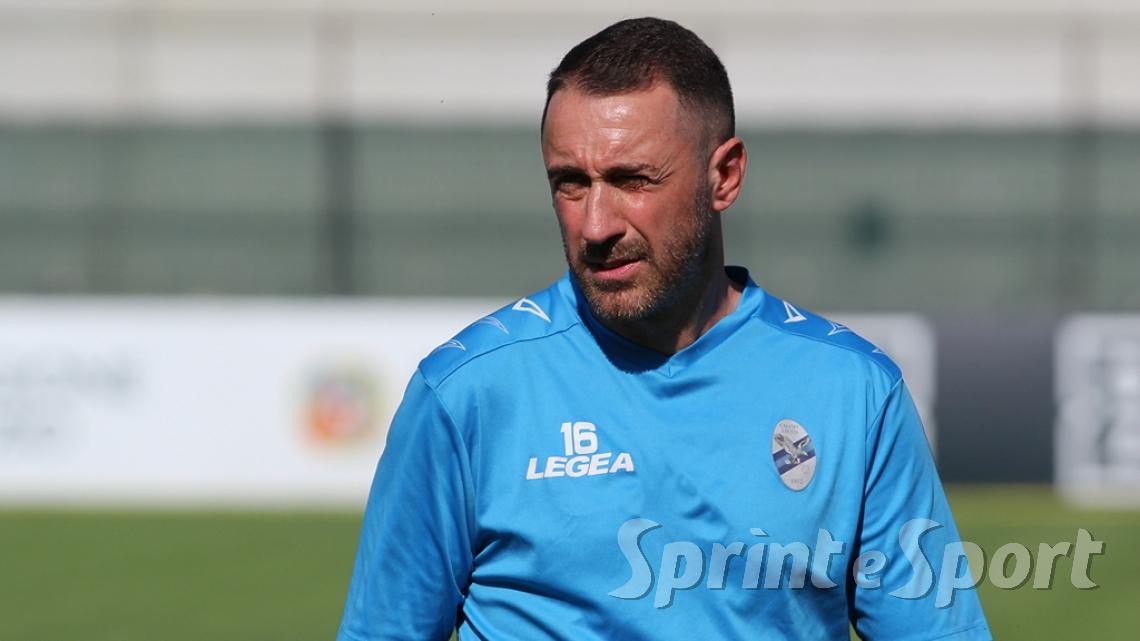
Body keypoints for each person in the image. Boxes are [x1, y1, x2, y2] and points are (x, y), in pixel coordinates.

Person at [337, 17, 991, 641]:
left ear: (724, 176)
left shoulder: (855, 392)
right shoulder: (467, 394)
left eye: (632, 180)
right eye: (570, 183)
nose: (596, 225)